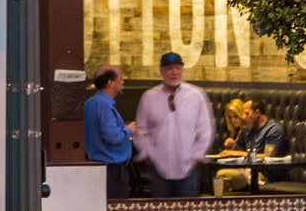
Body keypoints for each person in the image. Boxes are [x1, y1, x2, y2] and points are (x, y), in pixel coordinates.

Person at [133, 51, 214, 198]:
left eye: (177, 68)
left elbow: (205, 129)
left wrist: (196, 156)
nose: (173, 72)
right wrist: (147, 153)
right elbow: (141, 130)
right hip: (159, 169)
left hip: (188, 168)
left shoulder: (196, 95)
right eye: (169, 69)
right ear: (161, 72)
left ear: (182, 70)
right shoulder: (148, 97)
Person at [214, 97, 289, 195]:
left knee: (223, 175)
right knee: (216, 172)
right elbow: (235, 151)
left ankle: (223, 208)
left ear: (257, 113)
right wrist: (230, 144)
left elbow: (268, 156)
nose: (243, 117)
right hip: (245, 169)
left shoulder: (273, 130)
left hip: (263, 174)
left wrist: (235, 152)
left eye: (247, 114)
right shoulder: (247, 130)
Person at [83, 65, 136, 200]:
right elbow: (113, 137)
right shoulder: (104, 105)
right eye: (121, 79)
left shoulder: (91, 102)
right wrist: (129, 129)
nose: (123, 82)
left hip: (98, 167)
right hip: (112, 170)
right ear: (110, 83)